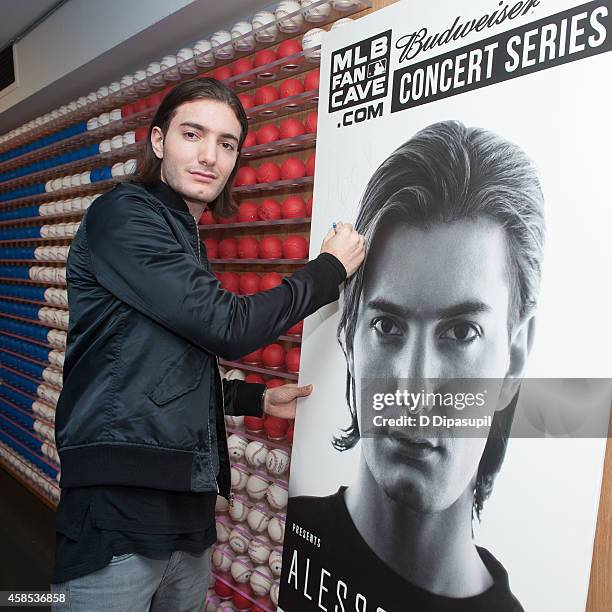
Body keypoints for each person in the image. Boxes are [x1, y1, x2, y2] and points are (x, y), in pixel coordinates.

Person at [49, 77, 365, 610]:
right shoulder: (123, 217)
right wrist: (329, 270)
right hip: (119, 512)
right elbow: (227, 326)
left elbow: (160, 366)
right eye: (192, 134)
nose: (209, 156)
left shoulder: (182, 234)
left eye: (226, 143)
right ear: (157, 142)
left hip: (185, 510)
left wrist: (255, 401)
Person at [280, 120, 546, 611]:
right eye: (388, 327)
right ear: (350, 334)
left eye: (461, 332)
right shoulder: (288, 534)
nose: (413, 391)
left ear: (515, 357)